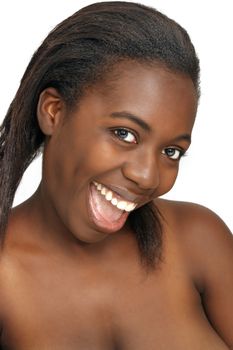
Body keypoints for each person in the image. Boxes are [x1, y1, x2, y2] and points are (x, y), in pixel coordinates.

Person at [0, 1, 232, 349]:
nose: (147, 176)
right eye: (124, 133)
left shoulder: (197, 239)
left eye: (172, 151)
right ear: (54, 112)